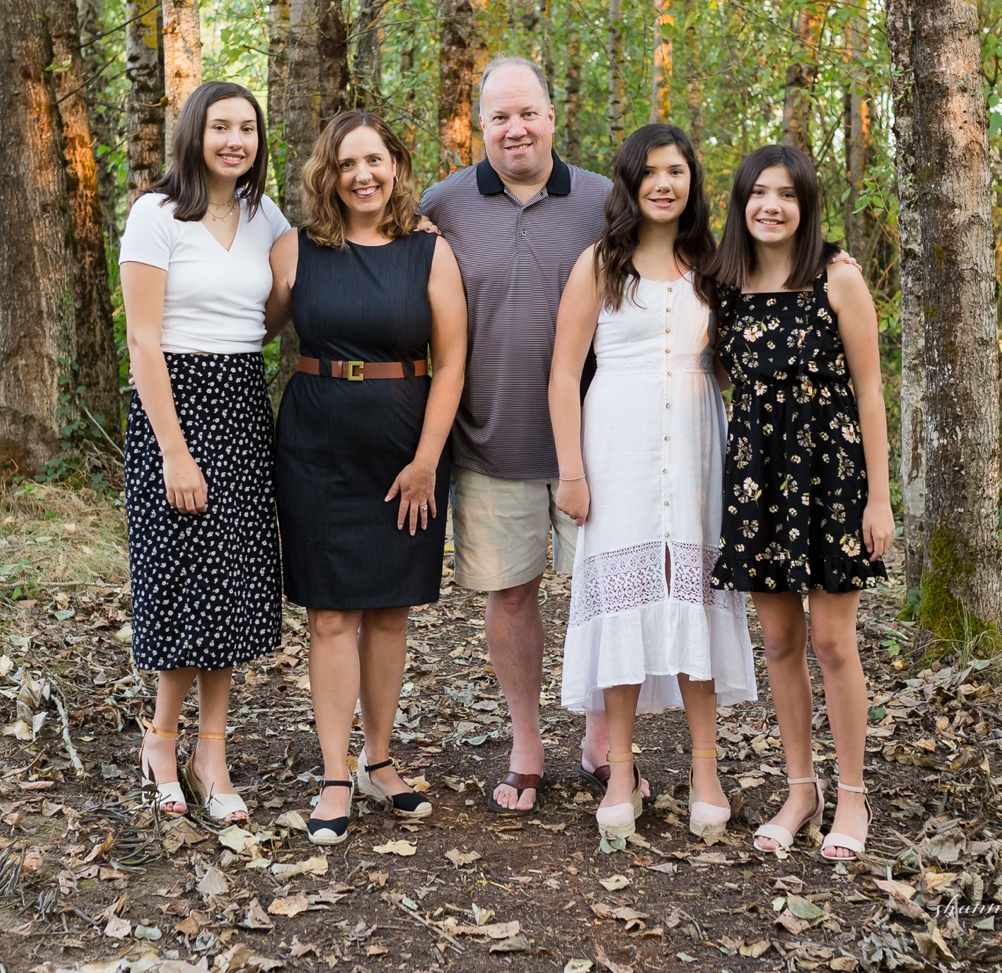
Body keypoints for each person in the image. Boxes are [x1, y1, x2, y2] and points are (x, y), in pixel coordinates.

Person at [418, 57, 628, 816]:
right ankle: (527, 741)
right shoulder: (442, 204)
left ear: (552, 115)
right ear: (482, 126)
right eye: (500, 117)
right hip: (489, 441)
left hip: (596, 441)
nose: (515, 129)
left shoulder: (606, 201)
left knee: (601, 593)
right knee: (511, 597)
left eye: (527, 113)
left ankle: (604, 734)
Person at [548, 122, 757, 843]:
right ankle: (618, 769)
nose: (665, 184)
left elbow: (738, 358)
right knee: (626, 605)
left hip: (700, 444)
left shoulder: (714, 265)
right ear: (630, 184)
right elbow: (562, 375)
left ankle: (706, 770)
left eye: (678, 171)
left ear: (693, 182)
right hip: (617, 444)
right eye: (652, 173)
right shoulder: (599, 266)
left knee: (693, 595)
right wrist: (569, 471)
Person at [267, 111, 467, 846]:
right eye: (348, 163)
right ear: (328, 173)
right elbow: (239, 324)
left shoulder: (429, 251)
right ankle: (332, 772)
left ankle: (380, 761)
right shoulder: (294, 250)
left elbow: (451, 362)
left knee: (389, 611)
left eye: (375, 160)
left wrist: (425, 460)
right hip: (316, 447)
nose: (363, 175)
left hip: (403, 452)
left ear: (395, 165)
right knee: (328, 615)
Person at [704, 144, 894, 860]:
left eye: (785, 194)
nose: (771, 206)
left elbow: (870, 392)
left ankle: (853, 796)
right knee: (779, 642)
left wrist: (880, 497)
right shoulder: (726, 285)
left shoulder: (837, 279)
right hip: (758, 481)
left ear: (806, 205)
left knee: (832, 641)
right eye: (757, 193)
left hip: (832, 478)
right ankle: (800, 788)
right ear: (741, 204)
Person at [120, 81, 292, 823]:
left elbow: (274, 316)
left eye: (246, 129)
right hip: (176, 406)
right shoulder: (156, 215)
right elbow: (142, 339)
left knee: (230, 589)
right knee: (180, 582)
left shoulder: (265, 216)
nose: (234, 140)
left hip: (243, 404)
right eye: (220, 126)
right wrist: (174, 453)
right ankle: (160, 741)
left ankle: (211, 754)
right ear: (195, 134)